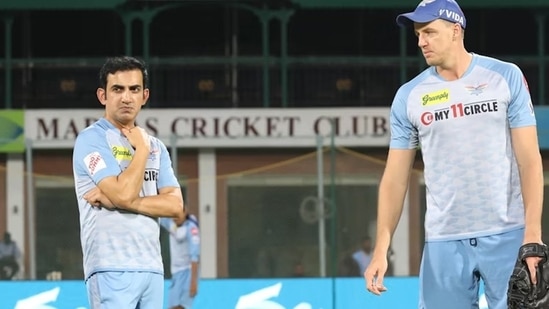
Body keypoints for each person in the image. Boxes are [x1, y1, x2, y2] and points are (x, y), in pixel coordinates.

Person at [364, 1, 544, 308]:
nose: (421, 41)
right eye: (418, 34)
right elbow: (394, 179)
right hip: (443, 243)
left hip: (507, 234)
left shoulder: (505, 77)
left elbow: (529, 161)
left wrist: (532, 234)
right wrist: (381, 247)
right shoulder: (409, 96)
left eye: (430, 32)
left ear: (455, 31)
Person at [72, 56, 185, 309]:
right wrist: (141, 150)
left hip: (152, 269)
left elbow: (176, 207)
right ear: (103, 96)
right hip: (110, 267)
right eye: (118, 89)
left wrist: (118, 202)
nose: (126, 97)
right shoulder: (91, 140)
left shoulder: (158, 147)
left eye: (134, 89)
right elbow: (124, 194)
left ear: (145, 96)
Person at [160, 213, 200, 309]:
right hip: (176, 272)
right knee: (173, 306)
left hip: (188, 272)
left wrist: (193, 282)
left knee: (181, 307)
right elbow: (160, 216)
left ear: (185, 213)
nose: (176, 217)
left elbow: (195, 256)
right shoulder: (171, 224)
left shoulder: (191, 228)